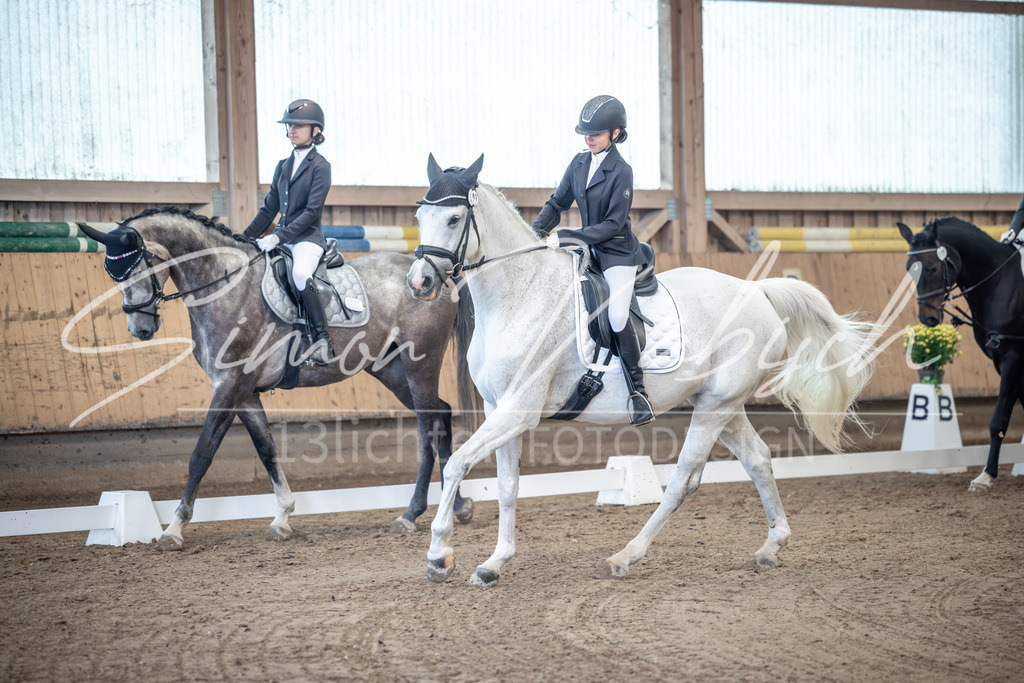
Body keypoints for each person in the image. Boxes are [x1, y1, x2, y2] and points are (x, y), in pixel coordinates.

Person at [531, 95, 654, 426]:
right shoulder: (578, 163)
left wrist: (570, 237)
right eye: (586, 132)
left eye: (596, 133)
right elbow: (557, 203)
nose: (589, 137)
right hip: (587, 250)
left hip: (616, 252)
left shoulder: (622, 172)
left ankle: (638, 392)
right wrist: (535, 233)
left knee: (615, 316)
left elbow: (613, 225)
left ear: (615, 134)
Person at [243, 98, 333, 365]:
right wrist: (243, 238)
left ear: (315, 131)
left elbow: (310, 213)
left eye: (299, 125)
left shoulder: (321, 166)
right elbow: (269, 209)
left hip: (307, 238)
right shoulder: (283, 165)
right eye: (290, 125)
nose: (292, 129)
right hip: (282, 238)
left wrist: (278, 237)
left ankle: (322, 341)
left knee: (301, 273)